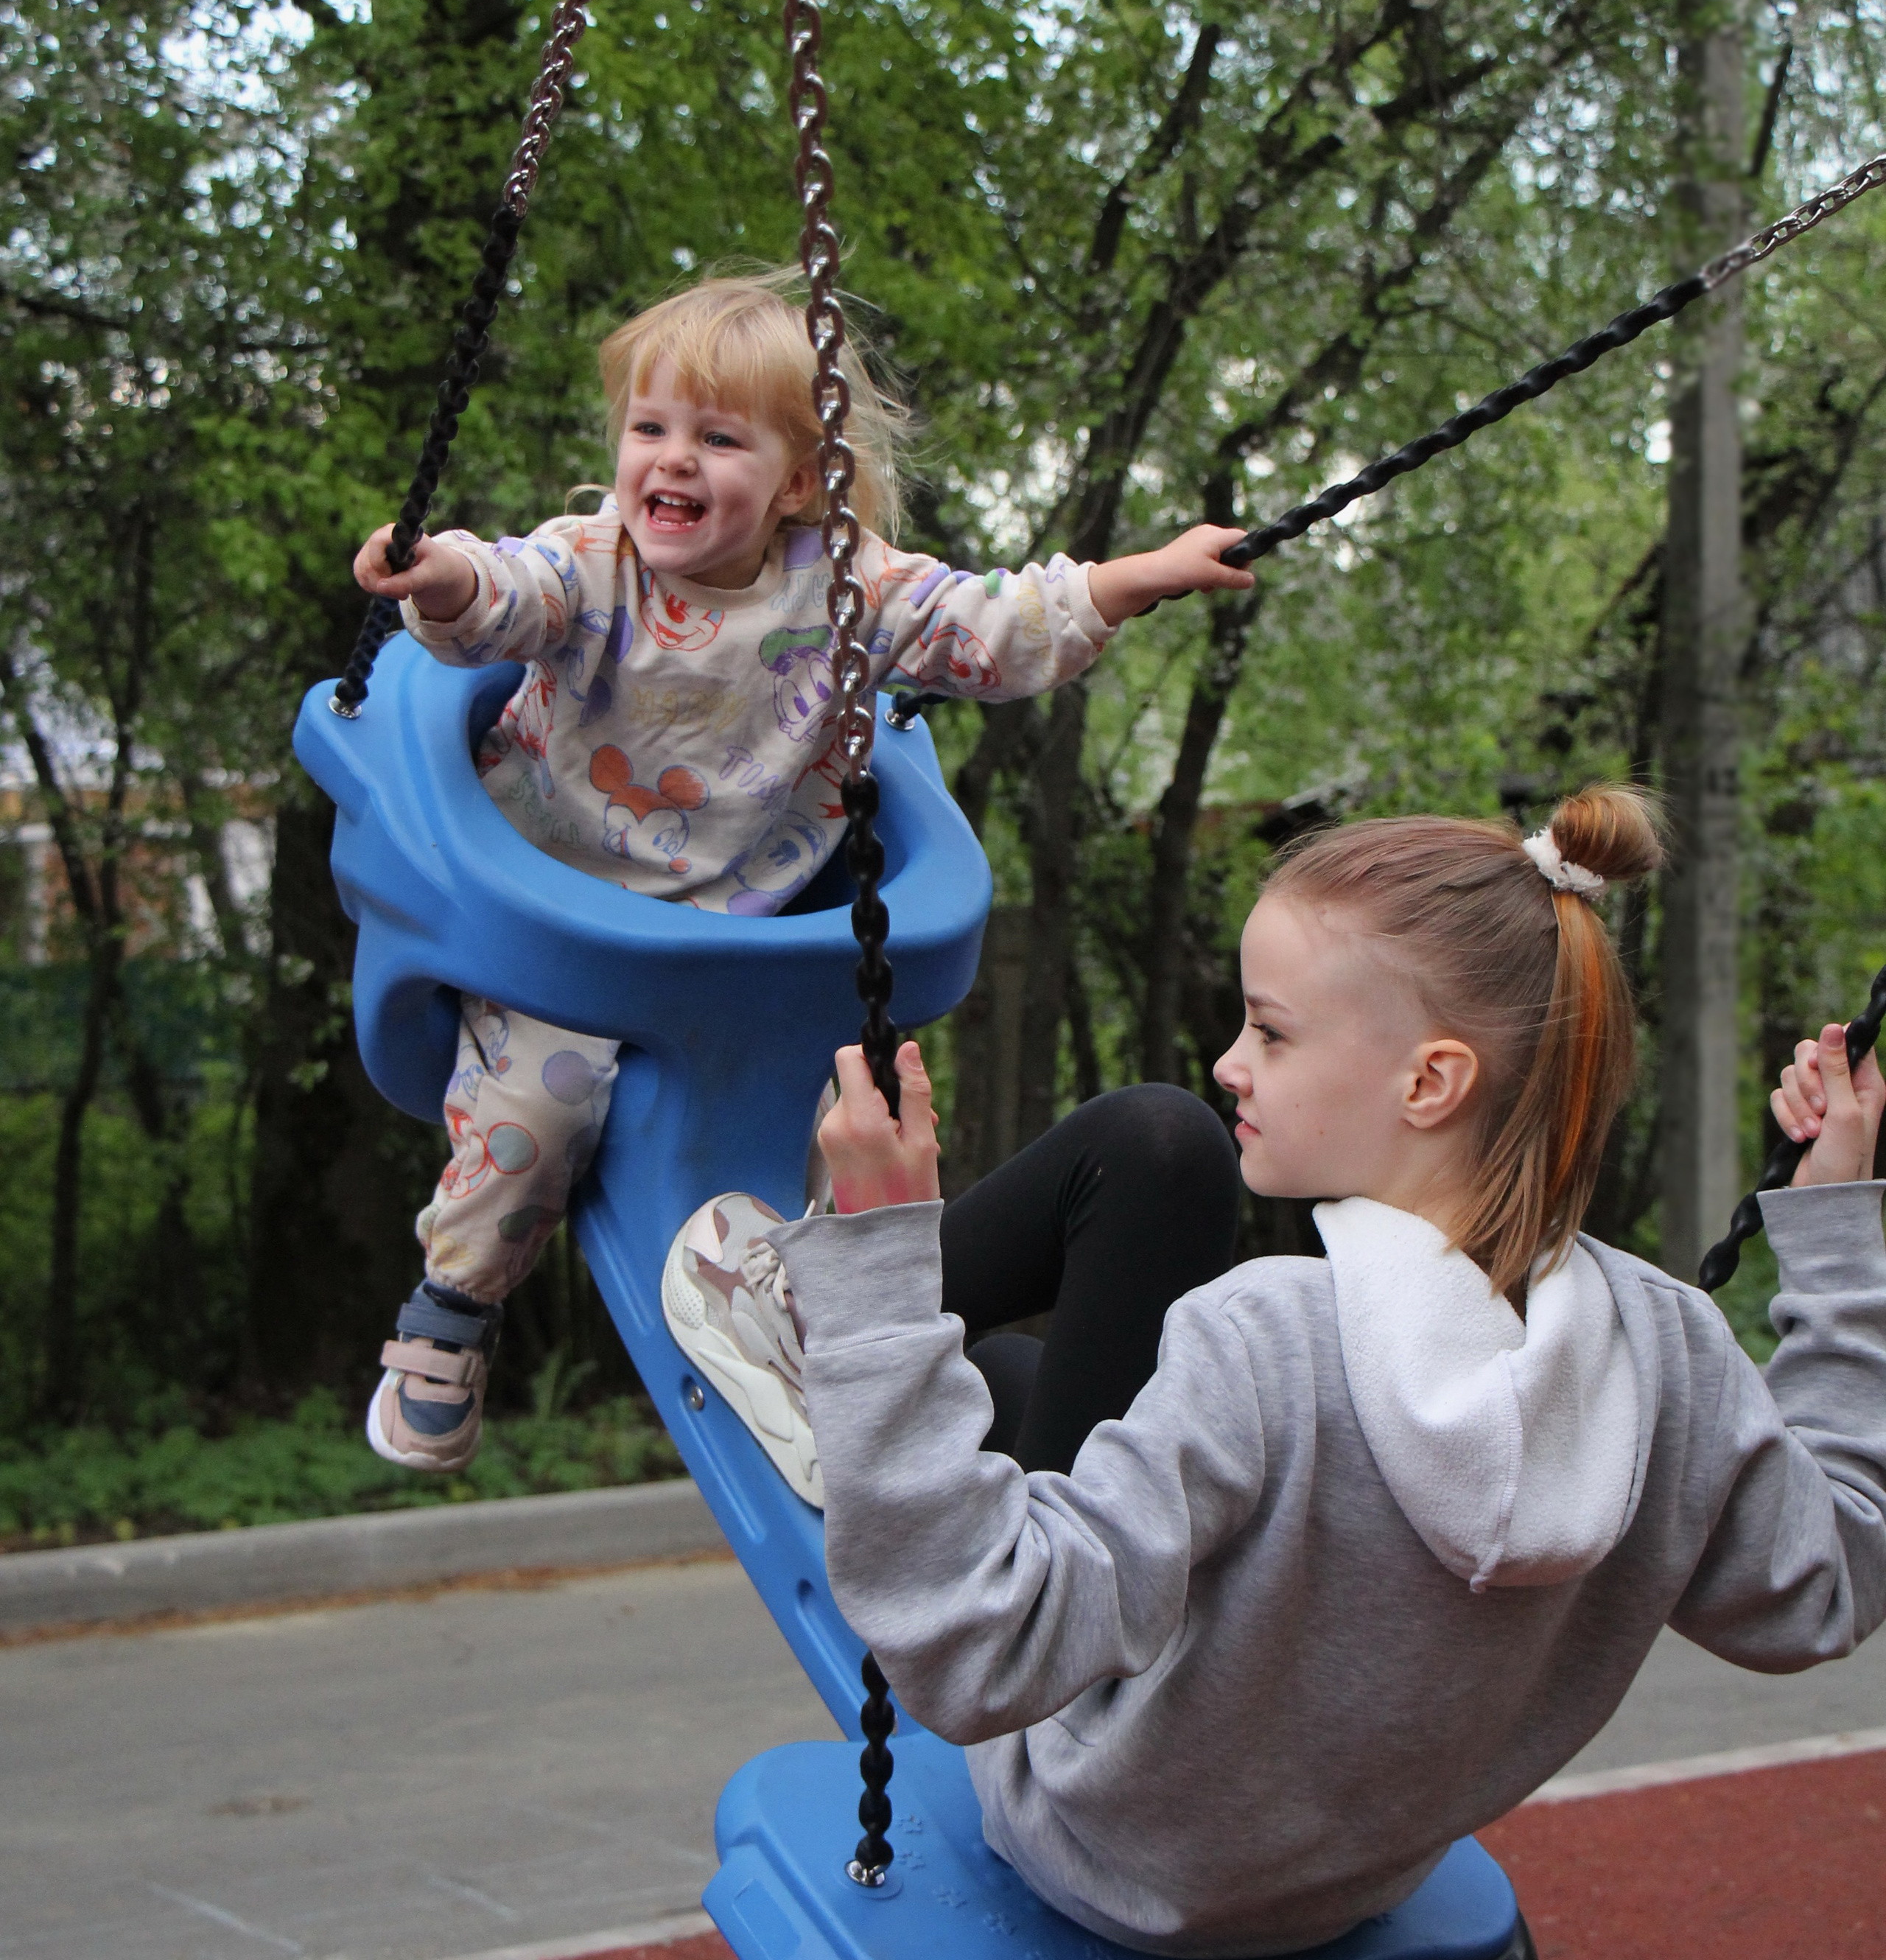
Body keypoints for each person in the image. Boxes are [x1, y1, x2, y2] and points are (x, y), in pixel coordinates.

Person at [757, 788, 1886, 1957]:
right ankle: (881, 1369)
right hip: (1344, 1874)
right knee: (1020, 1354)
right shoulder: (1670, 1357)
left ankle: (827, 1336)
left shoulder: (1268, 1343)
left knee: (1117, 1191)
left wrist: (884, 1287)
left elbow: (982, 1649)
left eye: (1272, 1032)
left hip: (1097, 1843)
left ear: (1429, 1083)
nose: (1231, 1062)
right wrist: (1838, 1234)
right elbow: (1831, 1580)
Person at [351, 270, 1254, 1472]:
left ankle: (815, 1326)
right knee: (540, 1107)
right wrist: (445, 579)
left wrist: (1124, 582)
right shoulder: (593, 562)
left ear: (795, 480)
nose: (671, 462)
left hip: (722, 936)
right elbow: (504, 593)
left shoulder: (843, 584)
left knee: (829, 1111)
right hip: (546, 906)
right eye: (650, 428)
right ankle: (453, 1310)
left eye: (718, 438)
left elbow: (979, 624)